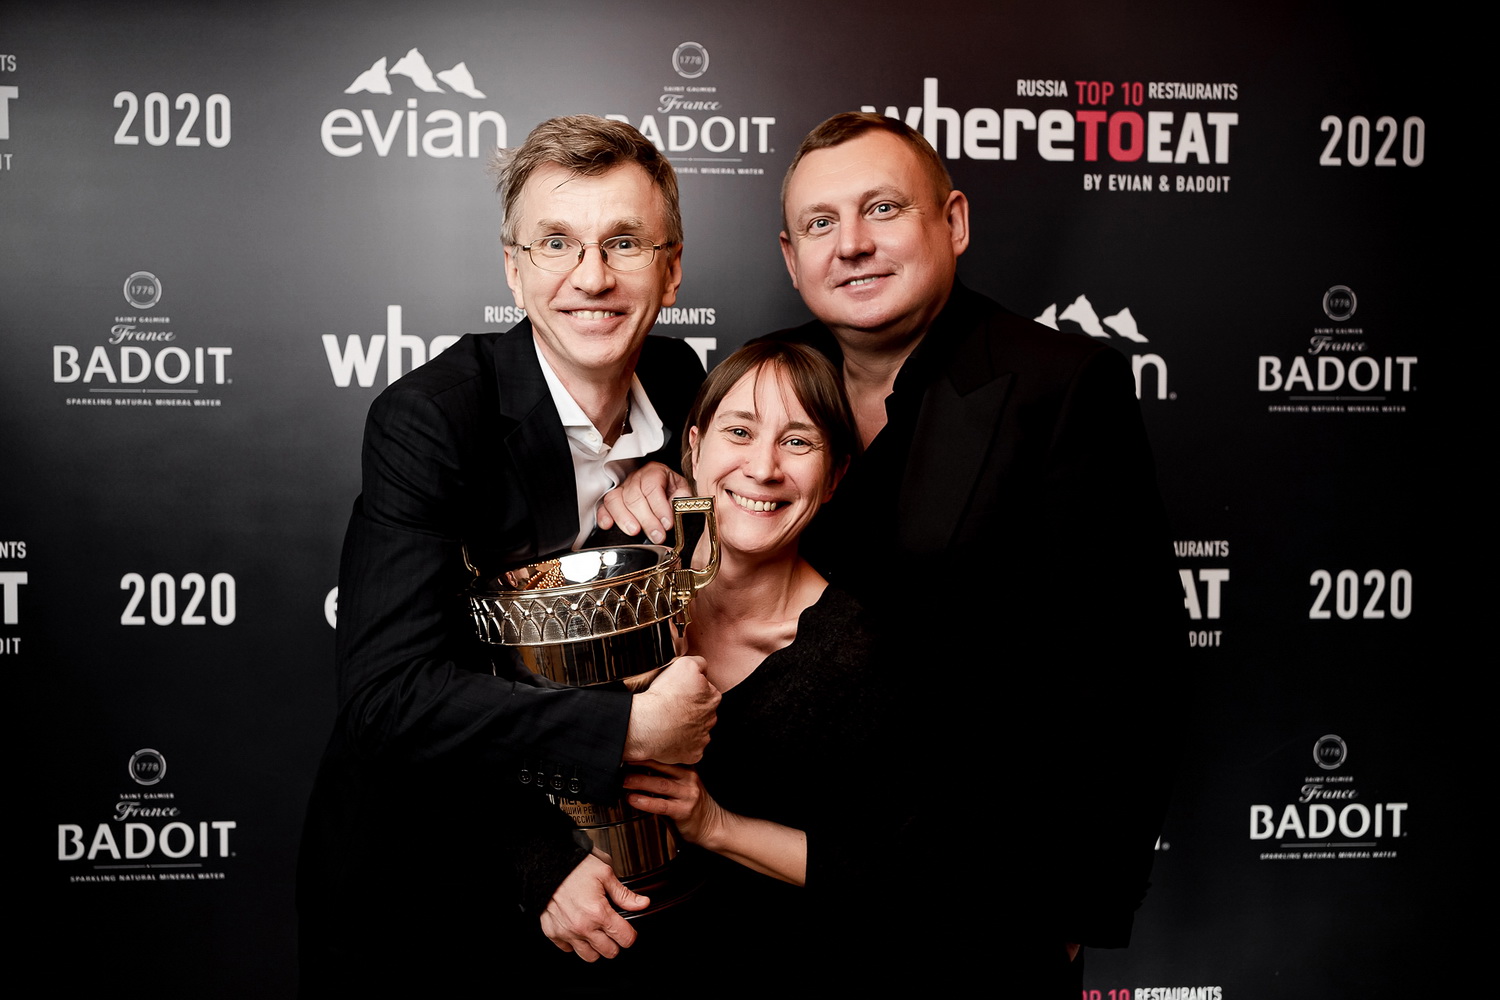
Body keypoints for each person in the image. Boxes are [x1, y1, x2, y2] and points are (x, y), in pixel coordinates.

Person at [600, 112, 1181, 992]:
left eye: (883, 209)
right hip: (768, 895)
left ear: (954, 222)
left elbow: (1129, 670)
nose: (853, 245)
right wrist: (653, 480)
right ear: (791, 257)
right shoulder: (777, 378)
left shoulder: (1058, 388)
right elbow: (719, 504)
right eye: (821, 223)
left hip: (972, 903)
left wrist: (1068, 916)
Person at [297, 115, 718, 993]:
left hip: (630, 879)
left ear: (672, 269)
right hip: (426, 888)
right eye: (555, 243)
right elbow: (391, 697)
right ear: (513, 269)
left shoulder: (684, 384)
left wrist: (674, 477)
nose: (591, 277)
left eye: (625, 242)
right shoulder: (432, 419)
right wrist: (625, 741)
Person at [614, 338, 887, 979]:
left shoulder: (859, 651)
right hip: (598, 962)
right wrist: (549, 873)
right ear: (694, 447)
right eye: (739, 432)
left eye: (798, 442)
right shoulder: (618, 590)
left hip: (771, 975)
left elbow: (889, 869)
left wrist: (714, 823)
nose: (763, 468)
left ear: (835, 477)